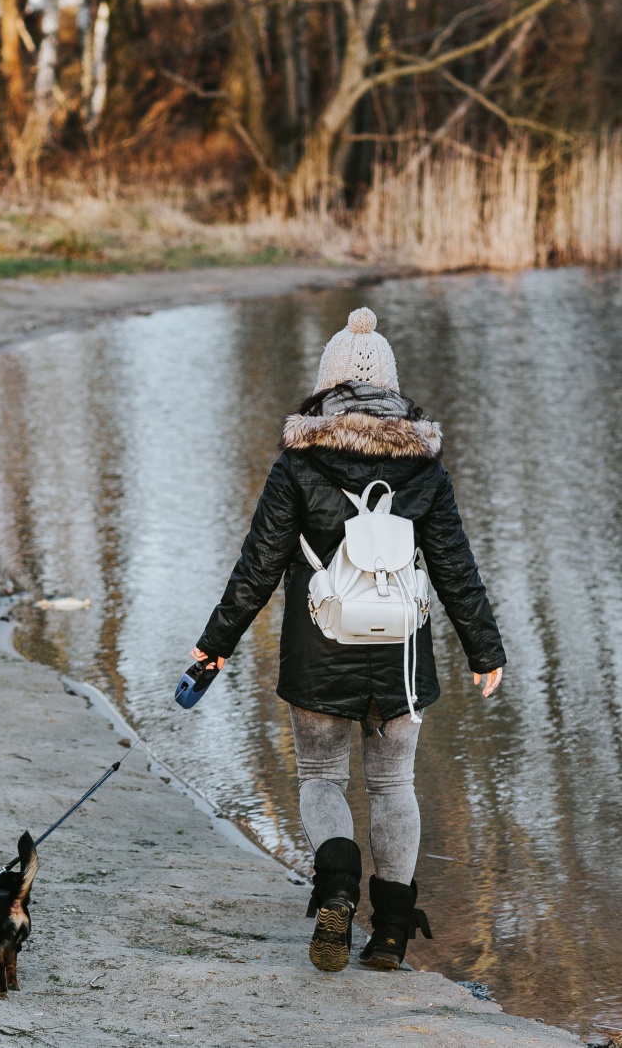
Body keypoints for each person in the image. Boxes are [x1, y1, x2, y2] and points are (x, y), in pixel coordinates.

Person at [191, 307, 506, 973]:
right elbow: (454, 564)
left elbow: (258, 567)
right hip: (402, 654)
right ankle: (390, 932)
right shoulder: (424, 467)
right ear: (391, 388)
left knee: (321, 777)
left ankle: (337, 883)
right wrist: (485, 650)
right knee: (394, 786)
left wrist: (215, 644)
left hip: (320, 652)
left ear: (326, 385)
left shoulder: (298, 464)